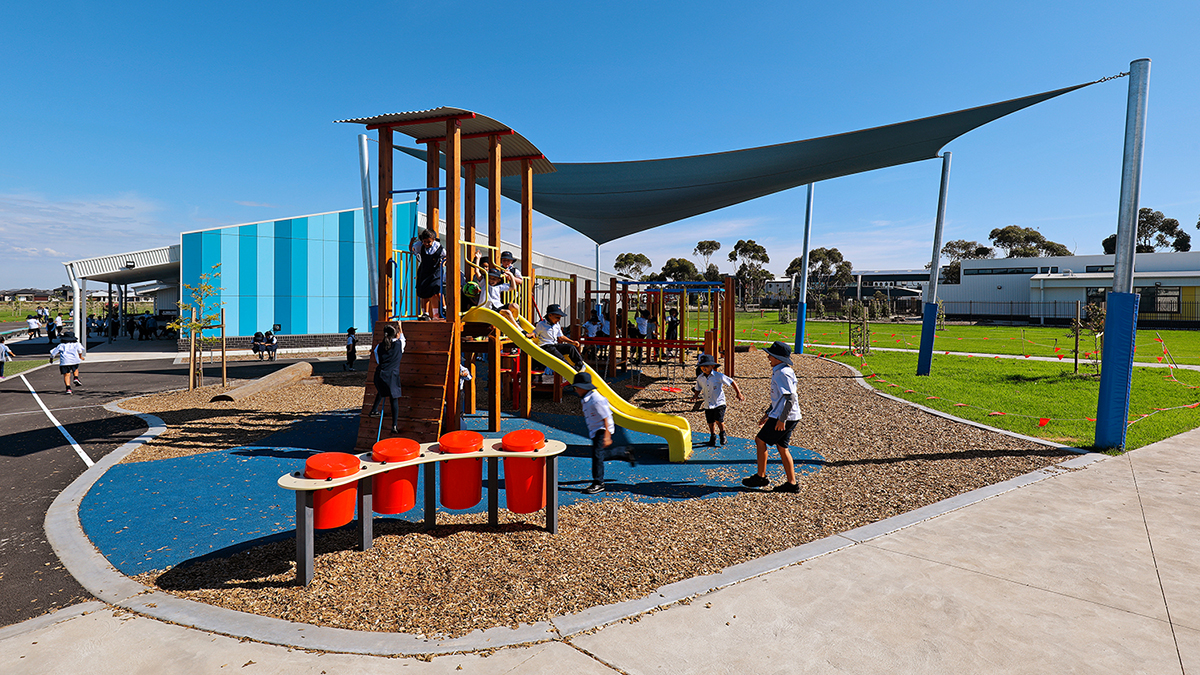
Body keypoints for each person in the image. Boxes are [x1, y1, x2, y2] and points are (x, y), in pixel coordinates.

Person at [742, 341, 804, 493]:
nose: (768, 357)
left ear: (779, 358)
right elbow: (779, 399)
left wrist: (781, 419)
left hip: (785, 417)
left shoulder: (783, 373)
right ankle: (792, 484)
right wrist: (767, 414)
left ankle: (761, 476)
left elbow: (790, 398)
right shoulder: (780, 370)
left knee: (760, 440)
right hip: (784, 415)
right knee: (782, 447)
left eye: (771, 355)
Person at [568, 371, 634, 495]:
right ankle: (623, 453)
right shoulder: (585, 398)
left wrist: (607, 436)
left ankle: (598, 483)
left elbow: (606, 417)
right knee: (599, 454)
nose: (575, 390)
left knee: (597, 456)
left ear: (583, 387)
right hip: (595, 430)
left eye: (577, 387)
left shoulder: (596, 400)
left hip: (602, 429)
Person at [691, 353, 745, 446]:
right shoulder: (700, 378)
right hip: (708, 403)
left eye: (706, 366)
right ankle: (712, 436)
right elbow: (698, 388)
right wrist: (695, 396)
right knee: (710, 421)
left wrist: (738, 393)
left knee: (719, 419)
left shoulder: (718, 376)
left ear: (712, 366)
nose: (704, 368)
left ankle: (722, 433)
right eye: (702, 366)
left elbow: (731, 381)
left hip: (719, 402)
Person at [368, 324, 406, 434]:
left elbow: (378, 361)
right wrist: (400, 327)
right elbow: (403, 338)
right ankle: (394, 425)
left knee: (381, 391)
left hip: (379, 375)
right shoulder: (399, 344)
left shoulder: (379, 346)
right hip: (392, 376)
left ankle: (374, 409)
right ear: (396, 334)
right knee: (394, 399)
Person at [534, 304, 585, 372]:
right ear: (550, 315)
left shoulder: (556, 325)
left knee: (571, 348)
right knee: (559, 356)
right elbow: (535, 332)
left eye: (560, 318)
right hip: (545, 347)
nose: (559, 320)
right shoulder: (541, 324)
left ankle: (580, 365)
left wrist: (572, 342)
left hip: (554, 345)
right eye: (557, 317)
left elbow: (561, 337)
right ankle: (570, 369)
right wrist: (530, 334)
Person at [411, 228, 446, 320]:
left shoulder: (438, 247)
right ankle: (425, 313)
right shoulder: (420, 246)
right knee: (424, 292)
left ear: (433, 240)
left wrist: (443, 263)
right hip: (425, 270)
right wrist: (411, 243)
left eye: (429, 242)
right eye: (424, 241)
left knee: (436, 289)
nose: (426, 244)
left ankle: (444, 307)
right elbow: (413, 250)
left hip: (436, 271)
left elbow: (446, 257)